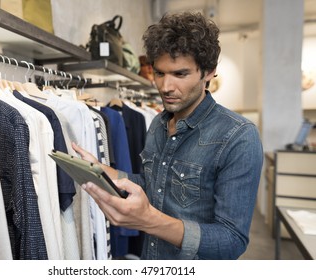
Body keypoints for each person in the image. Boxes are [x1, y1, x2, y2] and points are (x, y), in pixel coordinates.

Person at [72, 11, 263, 260]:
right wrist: (99, 170)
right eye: (160, 73)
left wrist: (149, 221)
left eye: (180, 74)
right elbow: (154, 186)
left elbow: (232, 240)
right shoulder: (158, 124)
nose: (165, 87)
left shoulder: (239, 136)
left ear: (208, 72)